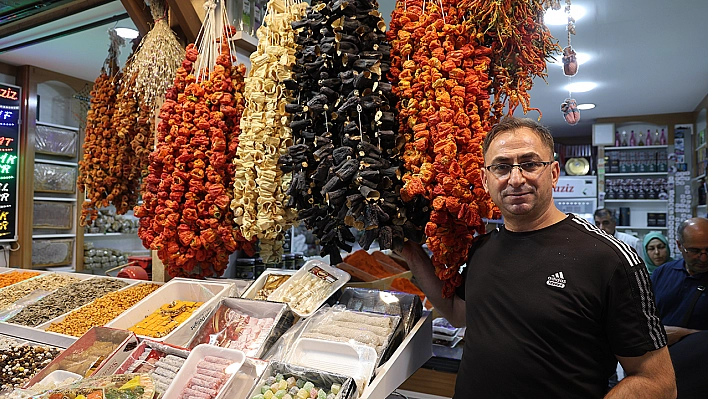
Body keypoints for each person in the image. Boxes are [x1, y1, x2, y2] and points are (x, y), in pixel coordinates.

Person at [399, 117, 675, 399]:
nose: (516, 179)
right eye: (502, 167)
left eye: (530, 164)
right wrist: (410, 252)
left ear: (554, 173)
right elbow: (458, 314)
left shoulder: (609, 258)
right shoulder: (480, 248)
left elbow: (657, 382)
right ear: (485, 179)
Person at [651, 217, 708, 399]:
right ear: (679, 245)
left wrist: (684, 334)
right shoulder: (663, 273)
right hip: (658, 368)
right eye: (694, 251)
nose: (703, 257)